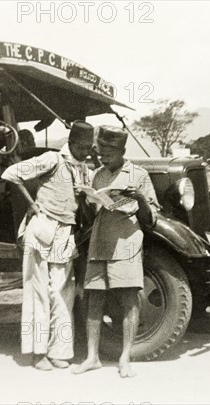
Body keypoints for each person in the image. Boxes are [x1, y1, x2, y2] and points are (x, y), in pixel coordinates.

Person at [1, 121, 95, 371]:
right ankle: (37, 353)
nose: (86, 151)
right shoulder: (52, 159)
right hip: (43, 226)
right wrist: (31, 204)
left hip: (66, 231)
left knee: (63, 293)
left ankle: (59, 350)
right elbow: (12, 173)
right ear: (72, 143)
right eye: (83, 147)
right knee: (38, 292)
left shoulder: (84, 169)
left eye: (90, 147)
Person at [72, 125, 158, 378]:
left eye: (109, 151)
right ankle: (92, 357)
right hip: (100, 243)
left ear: (122, 150)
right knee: (94, 300)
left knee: (129, 300)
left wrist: (140, 198)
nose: (103, 156)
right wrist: (84, 200)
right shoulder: (97, 175)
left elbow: (150, 219)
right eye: (101, 151)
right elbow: (91, 216)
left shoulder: (138, 174)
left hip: (127, 243)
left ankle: (125, 358)